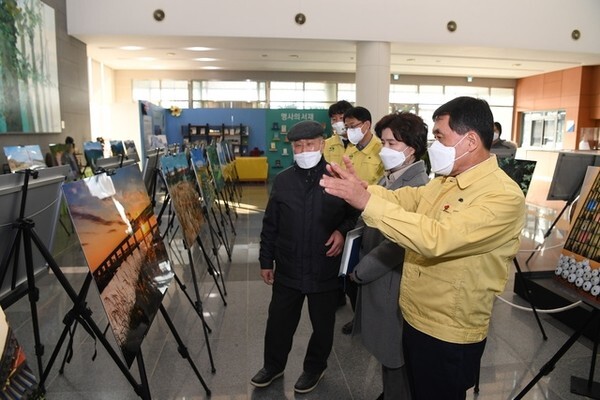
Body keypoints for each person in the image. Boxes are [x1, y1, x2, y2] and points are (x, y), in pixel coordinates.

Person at [320, 96, 526, 400]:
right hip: (415, 315)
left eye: (440, 136)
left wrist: (366, 202)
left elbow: (437, 238)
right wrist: (366, 190)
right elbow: (408, 200)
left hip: (450, 329)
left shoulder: (502, 196)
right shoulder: (446, 180)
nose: (434, 145)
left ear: (470, 141)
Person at [251, 120, 360, 394]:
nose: (304, 150)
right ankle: (273, 366)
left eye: (310, 144)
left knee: (323, 324)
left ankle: (315, 367)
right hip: (288, 267)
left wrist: (341, 231)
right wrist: (266, 261)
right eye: (298, 146)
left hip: (324, 265)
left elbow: (354, 215)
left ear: (322, 144)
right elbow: (270, 224)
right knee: (278, 322)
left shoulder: (336, 178)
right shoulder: (284, 180)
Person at [351, 111, 429, 400]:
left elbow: (399, 243)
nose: (384, 150)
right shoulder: (389, 178)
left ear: (411, 148)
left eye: (392, 144)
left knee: (393, 351)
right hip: (375, 272)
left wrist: (364, 268)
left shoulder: (417, 185)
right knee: (387, 353)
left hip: (390, 279)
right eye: (383, 143)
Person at [339, 106, 385, 334]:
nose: (350, 131)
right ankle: (358, 316)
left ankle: (369, 319)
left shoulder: (381, 151)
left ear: (366, 125)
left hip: (372, 216)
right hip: (350, 217)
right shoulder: (350, 150)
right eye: (347, 127)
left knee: (367, 268)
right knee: (350, 269)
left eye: (353, 126)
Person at [323, 100, 353, 166]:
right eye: (334, 119)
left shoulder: (362, 143)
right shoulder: (325, 144)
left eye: (341, 118)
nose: (338, 122)